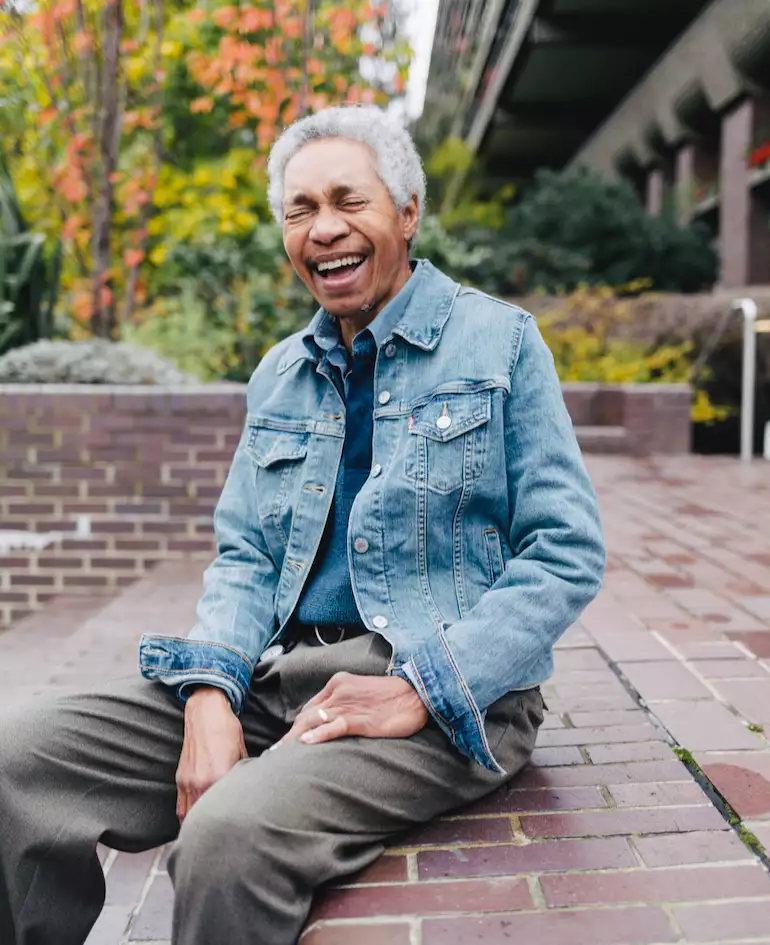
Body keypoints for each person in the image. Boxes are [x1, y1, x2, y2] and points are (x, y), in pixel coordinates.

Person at [0, 104, 605, 945]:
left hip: (449, 699)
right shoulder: (281, 372)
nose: (324, 229)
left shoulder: (499, 342)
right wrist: (211, 690)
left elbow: (565, 550)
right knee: (19, 759)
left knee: (225, 837)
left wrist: (421, 688)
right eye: (301, 209)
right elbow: (246, 554)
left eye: (349, 201)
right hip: (285, 682)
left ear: (407, 213)